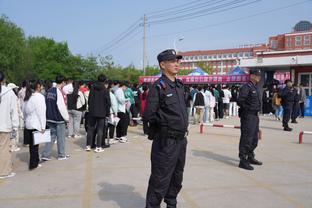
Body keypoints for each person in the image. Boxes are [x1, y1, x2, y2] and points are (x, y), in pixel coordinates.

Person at [144, 49, 188, 208]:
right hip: (165, 142)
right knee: (160, 178)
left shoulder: (179, 85)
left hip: (181, 140)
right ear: (163, 65)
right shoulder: (158, 87)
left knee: (177, 175)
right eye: (173, 61)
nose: (177, 64)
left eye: (178, 61)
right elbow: (149, 114)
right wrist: (164, 127)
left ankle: (171, 203)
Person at [237, 69, 262, 171]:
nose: (258, 77)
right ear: (251, 76)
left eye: (259, 76)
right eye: (257, 75)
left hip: (255, 116)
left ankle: (250, 156)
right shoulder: (246, 87)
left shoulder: (255, 87)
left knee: (254, 139)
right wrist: (247, 110)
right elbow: (240, 101)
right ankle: (243, 160)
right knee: (247, 138)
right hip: (248, 116)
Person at [41, 74, 70, 161]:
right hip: (58, 118)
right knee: (61, 137)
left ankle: (46, 154)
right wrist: (67, 118)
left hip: (49, 117)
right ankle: (61, 155)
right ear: (63, 82)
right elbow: (61, 107)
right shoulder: (59, 92)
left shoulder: (49, 91)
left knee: (51, 137)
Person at [23, 80, 46, 170]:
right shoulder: (39, 97)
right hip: (36, 124)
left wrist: (25, 121)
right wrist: (43, 126)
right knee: (35, 146)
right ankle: (33, 164)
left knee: (32, 146)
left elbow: (24, 111)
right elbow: (42, 112)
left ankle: (35, 161)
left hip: (28, 123)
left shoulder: (28, 97)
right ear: (38, 86)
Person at [0, 71, 19, 179]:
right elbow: (14, 111)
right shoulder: (9, 92)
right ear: (4, 80)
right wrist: (15, 126)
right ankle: (4, 172)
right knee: (4, 150)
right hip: (4, 126)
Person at [86, 75, 111, 152]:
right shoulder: (105, 90)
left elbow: (89, 100)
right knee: (100, 129)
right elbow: (108, 103)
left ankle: (88, 145)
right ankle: (98, 147)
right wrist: (107, 113)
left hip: (92, 112)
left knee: (90, 129)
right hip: (102, 112)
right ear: (104, 81)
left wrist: (90, 109)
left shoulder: (92, 88)